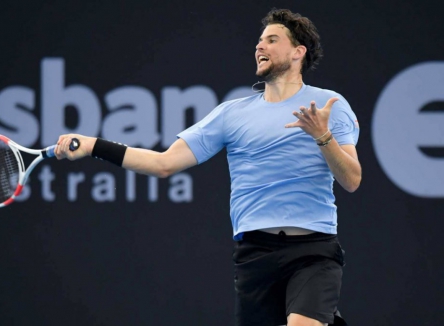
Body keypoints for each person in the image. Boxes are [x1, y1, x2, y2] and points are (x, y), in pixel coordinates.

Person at [54, 8, 360, 326]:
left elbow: (352, 179)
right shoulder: (231, 114)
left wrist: (323, 136)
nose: (260, 46)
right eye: (259, 41)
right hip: (255, 255)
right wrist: (93, 146)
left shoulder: (327, 106)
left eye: (272, 40)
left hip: (313, 251)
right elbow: (163, 164)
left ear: (298, 52)